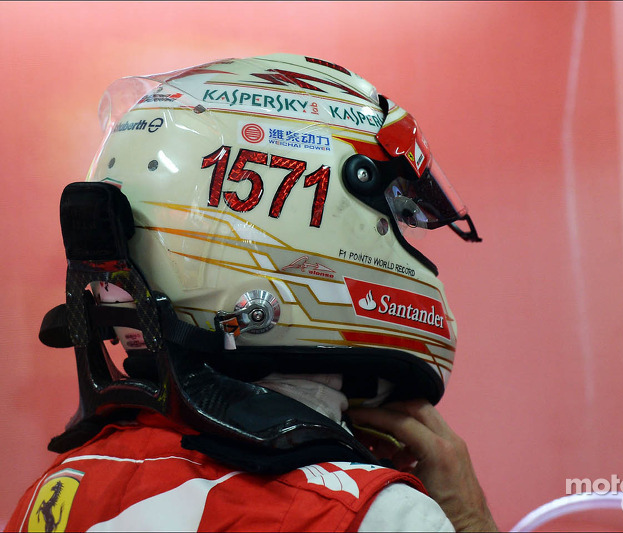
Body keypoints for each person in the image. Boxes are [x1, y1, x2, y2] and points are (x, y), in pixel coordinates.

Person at [4, 53, 497, 532]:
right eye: (398, 210)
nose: (403, 229)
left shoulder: (55, 491)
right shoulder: (372, 514)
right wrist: (470, 520)